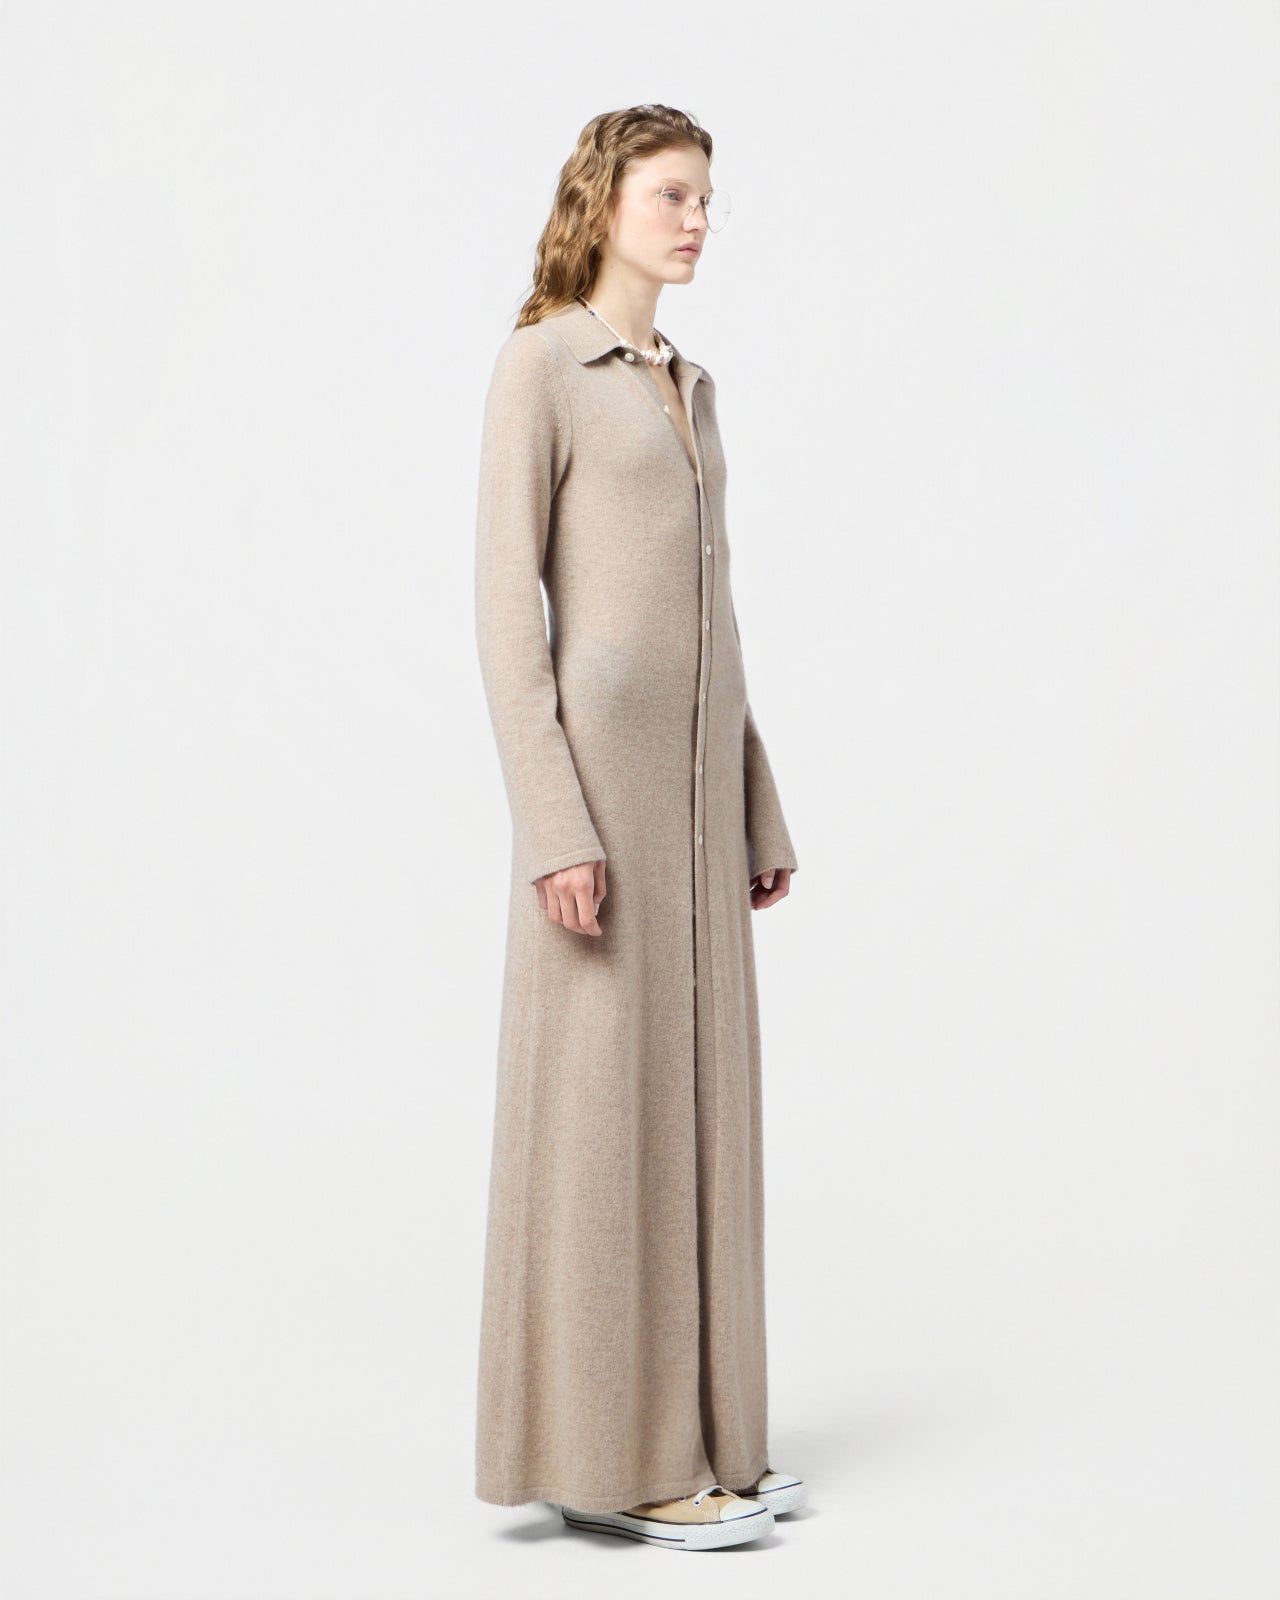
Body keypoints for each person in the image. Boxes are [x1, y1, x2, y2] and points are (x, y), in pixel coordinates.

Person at [473, 103, 807, 1552]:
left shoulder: (689, 384)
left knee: (701, 1111)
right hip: (601, 801)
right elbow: (508, 616)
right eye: (674, 195)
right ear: (606, 200)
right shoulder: (543, 365)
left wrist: (756, 802)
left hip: (695, 804)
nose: (698, 221)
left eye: (708, 199)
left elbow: (712, 621)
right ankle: (613, 1460)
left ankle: (709, 1437)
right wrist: (555, 823)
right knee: (606, 1124)